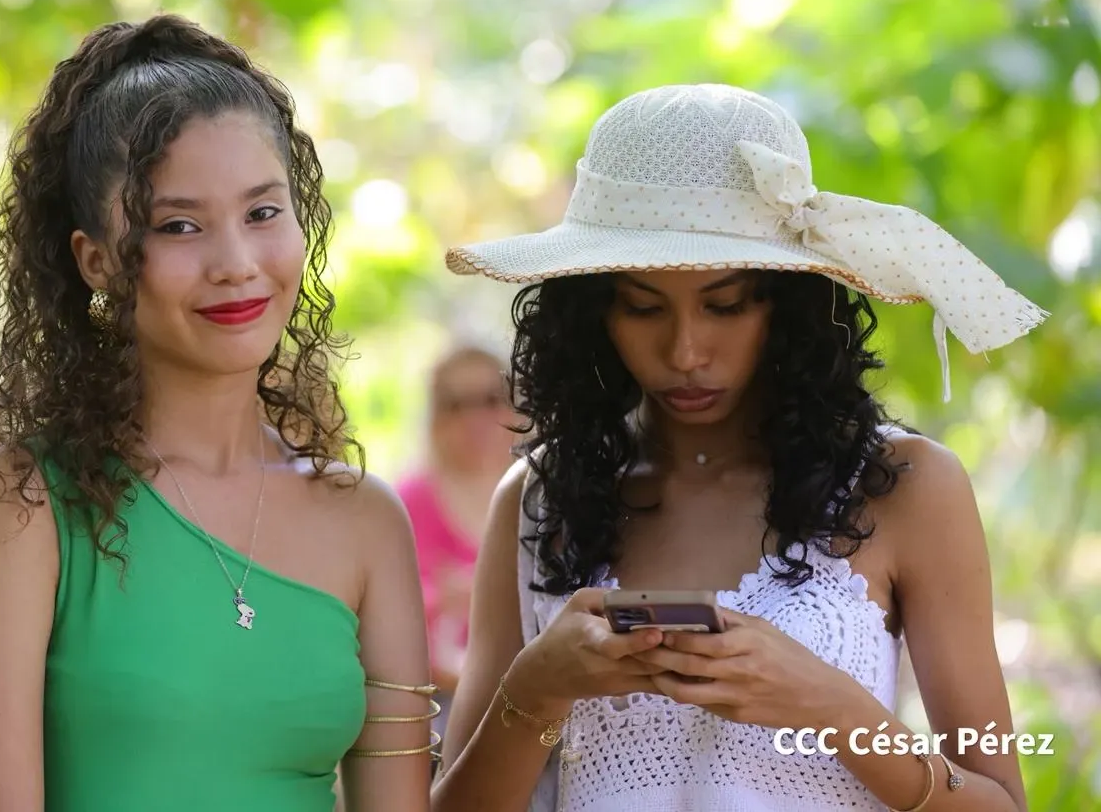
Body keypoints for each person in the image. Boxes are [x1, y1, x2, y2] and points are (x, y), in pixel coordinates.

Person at [431, 84, 1042, 812]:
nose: (686, 351)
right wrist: (537, 689)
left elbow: (1000, 803)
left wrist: (829, 706)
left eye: (725, 304)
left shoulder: (904, 486)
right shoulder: (541, 497)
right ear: (593, 313)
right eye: (642, 306)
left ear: (788, 305)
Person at [0, 14, 434, 812]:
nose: (236, 264)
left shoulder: (366, 520)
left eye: (263, 213)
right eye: (179, 227)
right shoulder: (19, 502)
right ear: (96, 260)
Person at [399, 343, 520, 730]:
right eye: (457, 404)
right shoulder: (407, 501)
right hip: (435, 703)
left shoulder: (540, 496)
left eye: (490, 399)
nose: (476, 418)